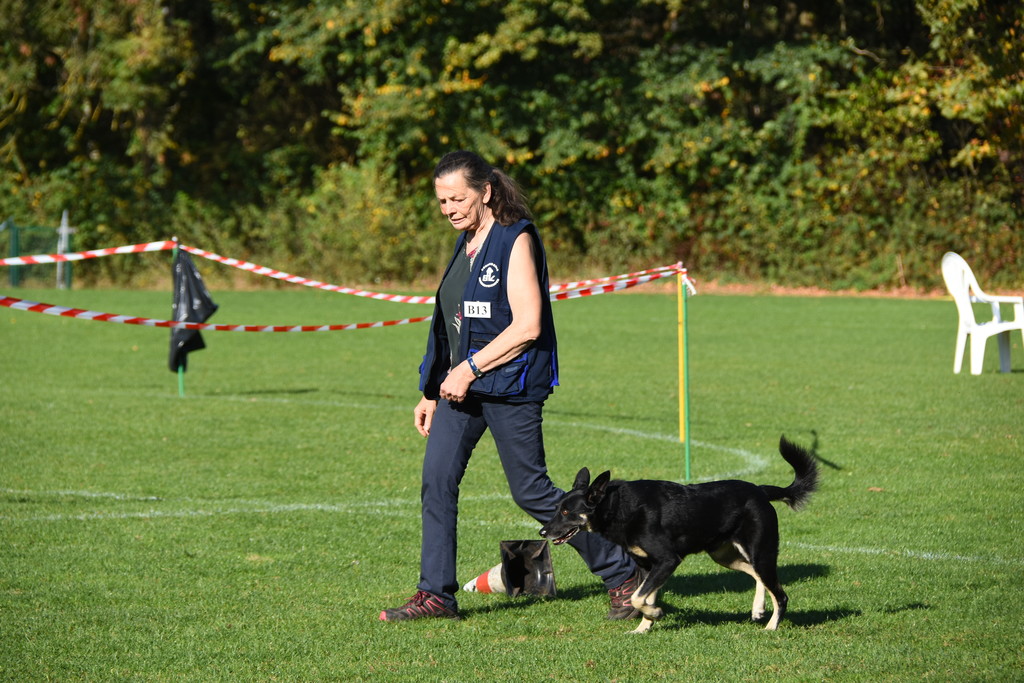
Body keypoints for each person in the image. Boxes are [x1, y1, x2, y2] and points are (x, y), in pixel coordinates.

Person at [379, 150, 642, 622]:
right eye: (442, 202)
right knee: (436, 482)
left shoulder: (515, 237)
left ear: (485, 191)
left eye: (457, 199)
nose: (449, 209)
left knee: (531, 491)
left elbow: (528, 325)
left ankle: (622, 574)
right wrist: (431, 389)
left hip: (511, 385)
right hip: (460, 389)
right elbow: (451, 323)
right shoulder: (464, 242)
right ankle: (436, 595)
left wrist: (468, 369)